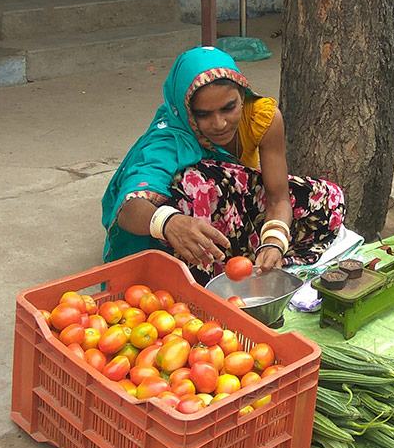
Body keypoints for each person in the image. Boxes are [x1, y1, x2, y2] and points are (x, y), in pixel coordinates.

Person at [100, 46, 346, 282]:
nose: (219, 124)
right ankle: (203, 277)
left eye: (229, 108)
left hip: (232, 207)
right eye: (203, 114)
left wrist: (274, 239)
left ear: (242, 95)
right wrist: (168, 223)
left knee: (329, 200)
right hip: (195, 220)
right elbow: (129, 206)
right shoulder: (167, 139)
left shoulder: (261, 119)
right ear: (185, 111)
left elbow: (278, 198)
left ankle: (245, 256)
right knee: (196, 182)